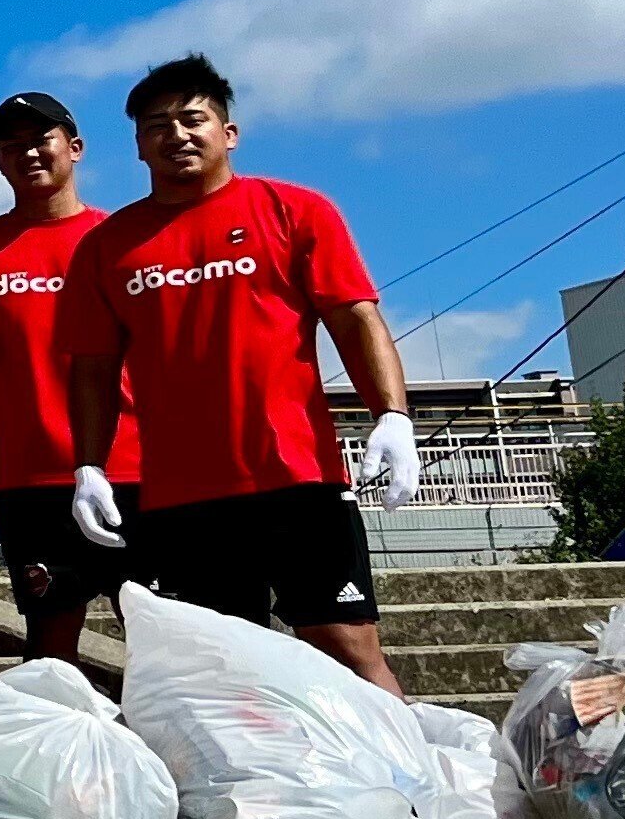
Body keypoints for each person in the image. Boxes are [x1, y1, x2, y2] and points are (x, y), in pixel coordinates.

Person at [59, 55, 417, 692]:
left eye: (193, 118)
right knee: (222, 670)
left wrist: (392, 415)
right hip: (181, 495)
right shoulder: (107, 246)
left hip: (297, 476)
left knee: (349, 650)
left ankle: (406, 789)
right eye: (157, 124)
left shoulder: (293, 209)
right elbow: (91, 367)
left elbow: (355, 318)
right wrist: (89, 464)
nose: (177, 134)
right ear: (139, 145)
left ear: (229, 132)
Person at [0, 92, 143, 665]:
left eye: (40, 139)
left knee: (158, 634)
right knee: (51, 640)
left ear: (76, 147)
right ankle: (60, 752)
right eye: (10, 146)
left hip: (135, 465)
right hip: (31, 476)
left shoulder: (124, 237)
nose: (28, 153)